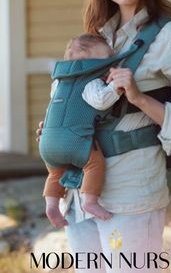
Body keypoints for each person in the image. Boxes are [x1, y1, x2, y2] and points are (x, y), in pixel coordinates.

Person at [36, 0, 171, 273]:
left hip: (133, 195)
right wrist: (60, 127)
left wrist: (138, 98)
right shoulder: (97, 36)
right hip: (81, 193)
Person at [40, 33, 124, 227]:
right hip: (74, 140)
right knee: (94, 165)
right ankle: (90, 201)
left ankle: (51, 205)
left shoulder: (59, 82)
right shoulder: (91, 80)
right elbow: (100, 101)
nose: (109, 65)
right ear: (89, 62)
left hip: (48, 141)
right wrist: (114, 88)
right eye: (106, 60)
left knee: (55, 174)